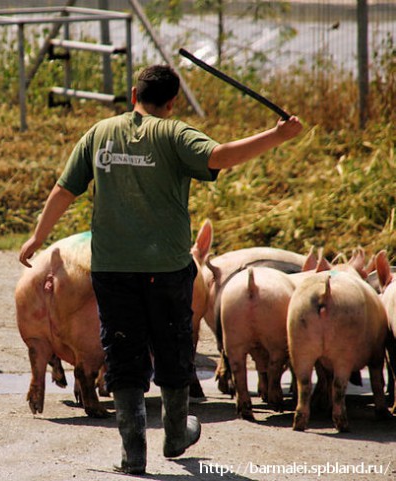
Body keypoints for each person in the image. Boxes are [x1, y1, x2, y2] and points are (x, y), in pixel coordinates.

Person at [18, 64, 303, 475]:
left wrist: (38, 236)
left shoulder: (99, 133)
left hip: (112, 269)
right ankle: (174, 433)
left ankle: (133, 453)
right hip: (167, 269)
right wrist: (278, 135)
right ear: (172, 102)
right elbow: (221, 156)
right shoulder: (175, 134)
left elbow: (65, 189)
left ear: (134, 93)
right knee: (172, 347)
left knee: (122, 352)